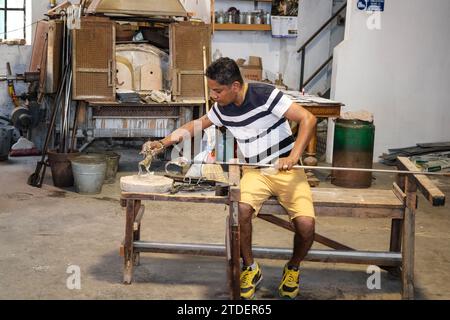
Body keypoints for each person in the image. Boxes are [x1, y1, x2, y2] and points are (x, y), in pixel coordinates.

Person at [142, 57, 317, 300]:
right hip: (255, 172)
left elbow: (308, 118)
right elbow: (198, 124)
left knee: (306, 226)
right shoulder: (223, 108)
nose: (213, 95)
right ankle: (251, 268)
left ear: (235, 86)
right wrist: (163, 142)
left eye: (217, 90)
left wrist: (293, 155)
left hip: (287, 171)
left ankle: (293, 267)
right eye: (211, 89)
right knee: (241, 211)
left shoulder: (266, 95)